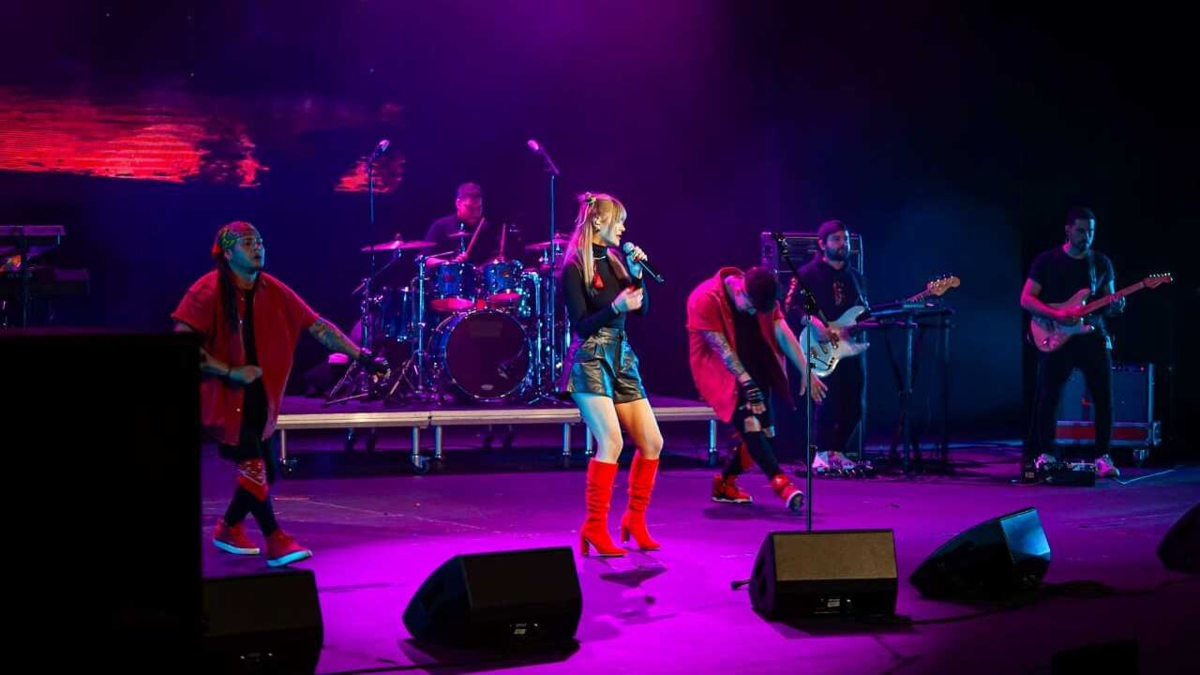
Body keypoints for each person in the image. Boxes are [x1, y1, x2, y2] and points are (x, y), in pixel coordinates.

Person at [172, 221, 387, 567]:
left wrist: (362, 357)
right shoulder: (206, 290)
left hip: (260, 398)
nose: (257, 247)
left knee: (267, 472)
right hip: (223, 399)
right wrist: (229, 371)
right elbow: (182, 346)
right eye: (247, 243)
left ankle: (229, 527)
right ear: (227, 253)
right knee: (254, 468)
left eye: (259, 241)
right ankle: (276, 539)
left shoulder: (272, 290)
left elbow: (319, 328)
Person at [558, 192, 662, 556]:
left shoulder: (617, 261)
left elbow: (642, 310)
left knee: (652, 442)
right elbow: (581, 325)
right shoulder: (574, 267)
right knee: (612, 441)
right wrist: (616, 307)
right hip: (590, 357)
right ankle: (594, 526)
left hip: (621, 355)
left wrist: (637, 276)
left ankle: (635, 519)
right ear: (598, 221)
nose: (623, 229)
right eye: (619, 221)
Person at [688, 266, 826, 511]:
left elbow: (781, 330)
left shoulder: (760, 294)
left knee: (765, 434)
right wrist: (747, 384)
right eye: (751, 307)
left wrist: (806, 369)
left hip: (756, 363)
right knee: (750, 424)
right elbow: (722, 350)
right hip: (720, 371)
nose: (753, 312)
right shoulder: (704, 298)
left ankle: (725, 483)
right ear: (740, 289)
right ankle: (782, 484)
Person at [1020, 207, 1123, 478]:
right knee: (1048, 396)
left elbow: (1109, 303)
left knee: (1103, 397)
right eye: (1080, 230)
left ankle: (1102, 456)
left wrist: (1116, 306)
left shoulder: (1101, 263)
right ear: (1067, 230)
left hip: (1092, 335)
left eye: (1091, 231)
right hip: (1056, 334)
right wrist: (1056, 314)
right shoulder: (1046, 261)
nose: (1086, 236)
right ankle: (1046, 454)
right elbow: (1026, 299)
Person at [794, 220, 868, 472]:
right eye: (836, 239)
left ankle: (838, 451)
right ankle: (821, 454)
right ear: (822, 244)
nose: (843, 244)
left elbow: (863, 313)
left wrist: (860, 325)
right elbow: (791, 308)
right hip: (820, 346)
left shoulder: (855, 277)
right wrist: (813, 322)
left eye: (845, 239)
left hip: (848, 348)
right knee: (827, 403)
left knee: (855, 405)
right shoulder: (807, 274)